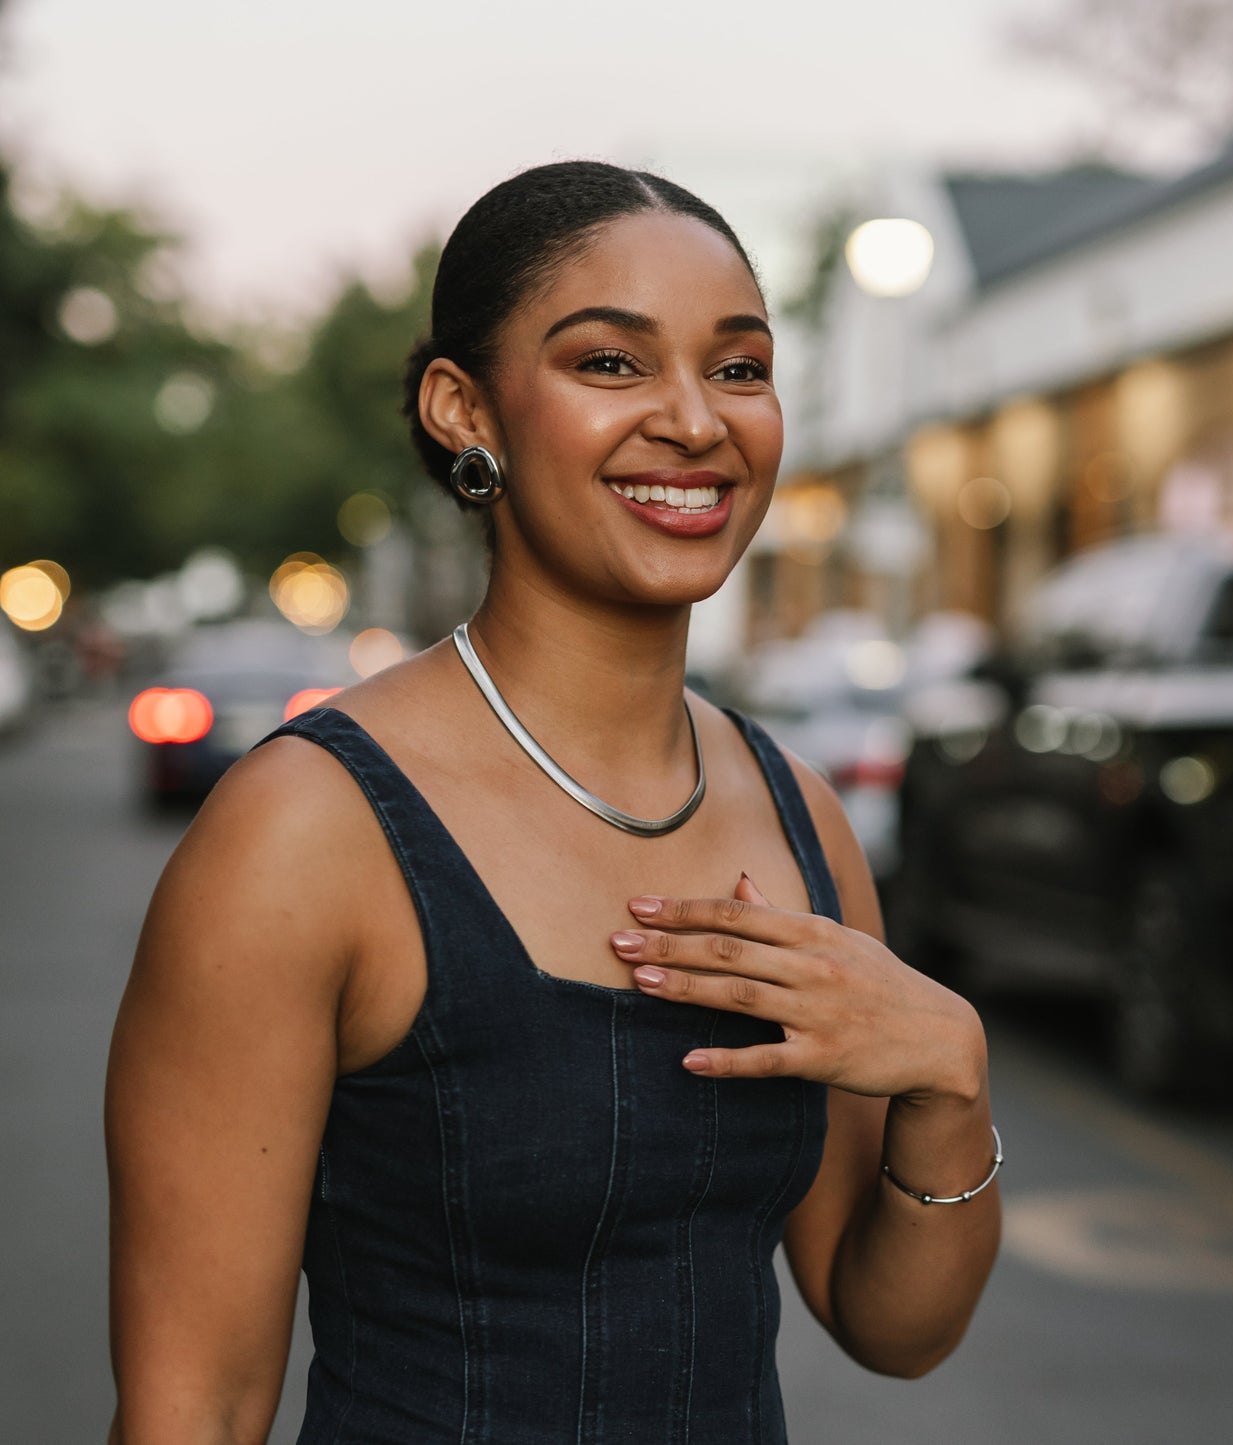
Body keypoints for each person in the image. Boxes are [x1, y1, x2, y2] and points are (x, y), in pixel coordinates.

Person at [105, 160, 1001, 1445]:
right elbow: (199, 1402)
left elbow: (890, 1324)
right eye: (610, 364)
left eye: (739, 368)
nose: (697, 421)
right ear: (465, 409)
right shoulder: (307, 831)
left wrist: (946, 1080)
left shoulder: (797, 817)